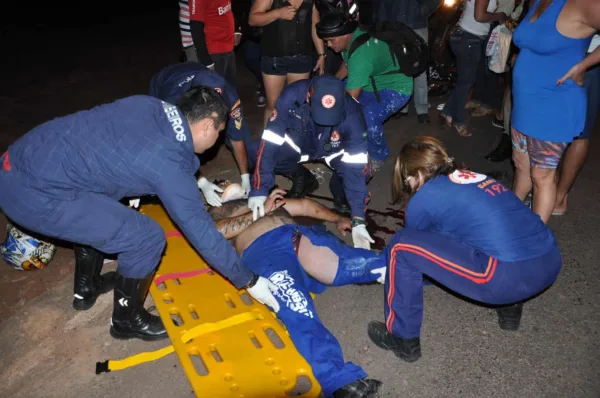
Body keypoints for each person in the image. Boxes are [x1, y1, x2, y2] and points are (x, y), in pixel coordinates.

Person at [0, 88, 279, 342]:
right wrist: (249, 281)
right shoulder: (170, 165)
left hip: (17, 162)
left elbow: (109, 145)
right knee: (146, 238)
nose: (217, 140)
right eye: (219, 132)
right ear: (207, 125)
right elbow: (203, 234)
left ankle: (88, 287)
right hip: (34, 195)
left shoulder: (148, 105)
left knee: (104, 208)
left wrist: (130, 184)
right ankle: (126, 320)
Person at [367, 136, 562, 363]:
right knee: (494, 236)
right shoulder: (476, 178)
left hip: (504, 278)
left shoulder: (425, 195)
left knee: (401, 248)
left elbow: (419, 248)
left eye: (407, 179)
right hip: (549, 260)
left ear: (417, 175)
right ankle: (510, 309)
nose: (409, 185)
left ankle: (402, 338)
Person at [208, 185, 384, 398]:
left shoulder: (258, 197)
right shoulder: (216, 211)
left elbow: (305, 206)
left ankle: (422, 269)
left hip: (298, 237)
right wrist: (261, 210)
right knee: (298, 312)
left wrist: (337, 218)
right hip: (264, 250)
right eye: (220, 183)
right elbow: (214, 234)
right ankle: (339, 382)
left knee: (367, 264)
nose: (226, 182)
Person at [248, 75, 375, 250]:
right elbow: (270, 142)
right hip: (300, 144)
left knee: (364, 170)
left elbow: (356, 165)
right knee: (256, 152)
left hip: (333, 150)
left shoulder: (353, 112)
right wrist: (260, 188)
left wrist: (359, 218)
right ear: (308, 97)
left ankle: (340, 193)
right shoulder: (290, 96)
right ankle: (302, 177)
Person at [511, 0, 600, 223]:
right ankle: (509, 220)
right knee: (521, 166)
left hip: (554, 104)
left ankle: (534, 242)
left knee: (541, 176)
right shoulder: (539, 1)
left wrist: (584, 65)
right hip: (525, 102)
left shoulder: (583, 4)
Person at [316, 9, 414, 169]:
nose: (328, 45)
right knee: (330, 94)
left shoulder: (362, 54)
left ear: (345, 35)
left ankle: (378, 155)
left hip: (396, 87)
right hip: (371, 81)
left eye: (331, 40)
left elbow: (350, 101)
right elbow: (348, 64)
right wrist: (331, 83)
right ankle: (343, 139)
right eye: (326, 41)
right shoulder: (352, 40)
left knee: (365, 118)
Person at [149, 62, 253, 205]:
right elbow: (176, 149)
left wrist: (245, 176)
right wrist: (201, 182)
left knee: (241, 132)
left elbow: (237, 137)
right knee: (174, 146)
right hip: (164, 80)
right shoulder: (172, 104)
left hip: (197, 70)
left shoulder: (229, 94)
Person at [249, 0, 326, 127]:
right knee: (273, 106)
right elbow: (252, 19)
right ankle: (267, 145)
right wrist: (277, 13)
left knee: (297, 105)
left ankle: (294, 143)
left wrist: (321, 54)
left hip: (302, 58)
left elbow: (314, 25)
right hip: (274, 58)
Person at [439, 0, 508, 137]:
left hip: (467, 37)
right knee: (466, 82)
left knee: (465, 81)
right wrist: (499, 15)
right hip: (469, 38)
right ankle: (459, 121)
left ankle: (447, 112)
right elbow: (480, 16)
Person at [553, 34, 600, 216]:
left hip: (588, 58)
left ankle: (560, 195)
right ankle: (549, 183)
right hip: (558, 54)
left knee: (581, 130)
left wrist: (584, 64)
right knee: (553, 125)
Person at [375, 0, 443, 124]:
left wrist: (421, 11)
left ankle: (422, 110)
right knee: (399, 68)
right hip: (396, 29)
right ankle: (401, 107)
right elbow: (382, 7)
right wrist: (383, 28)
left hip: (417, 27)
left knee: (419, 69)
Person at [188, 0, 242, 86]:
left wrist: (236, 29)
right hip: (214, 52)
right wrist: (207, 62)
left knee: (231, 91)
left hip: (229, 48)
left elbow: (228, 7)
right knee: (216, 93)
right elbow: (196, 30)